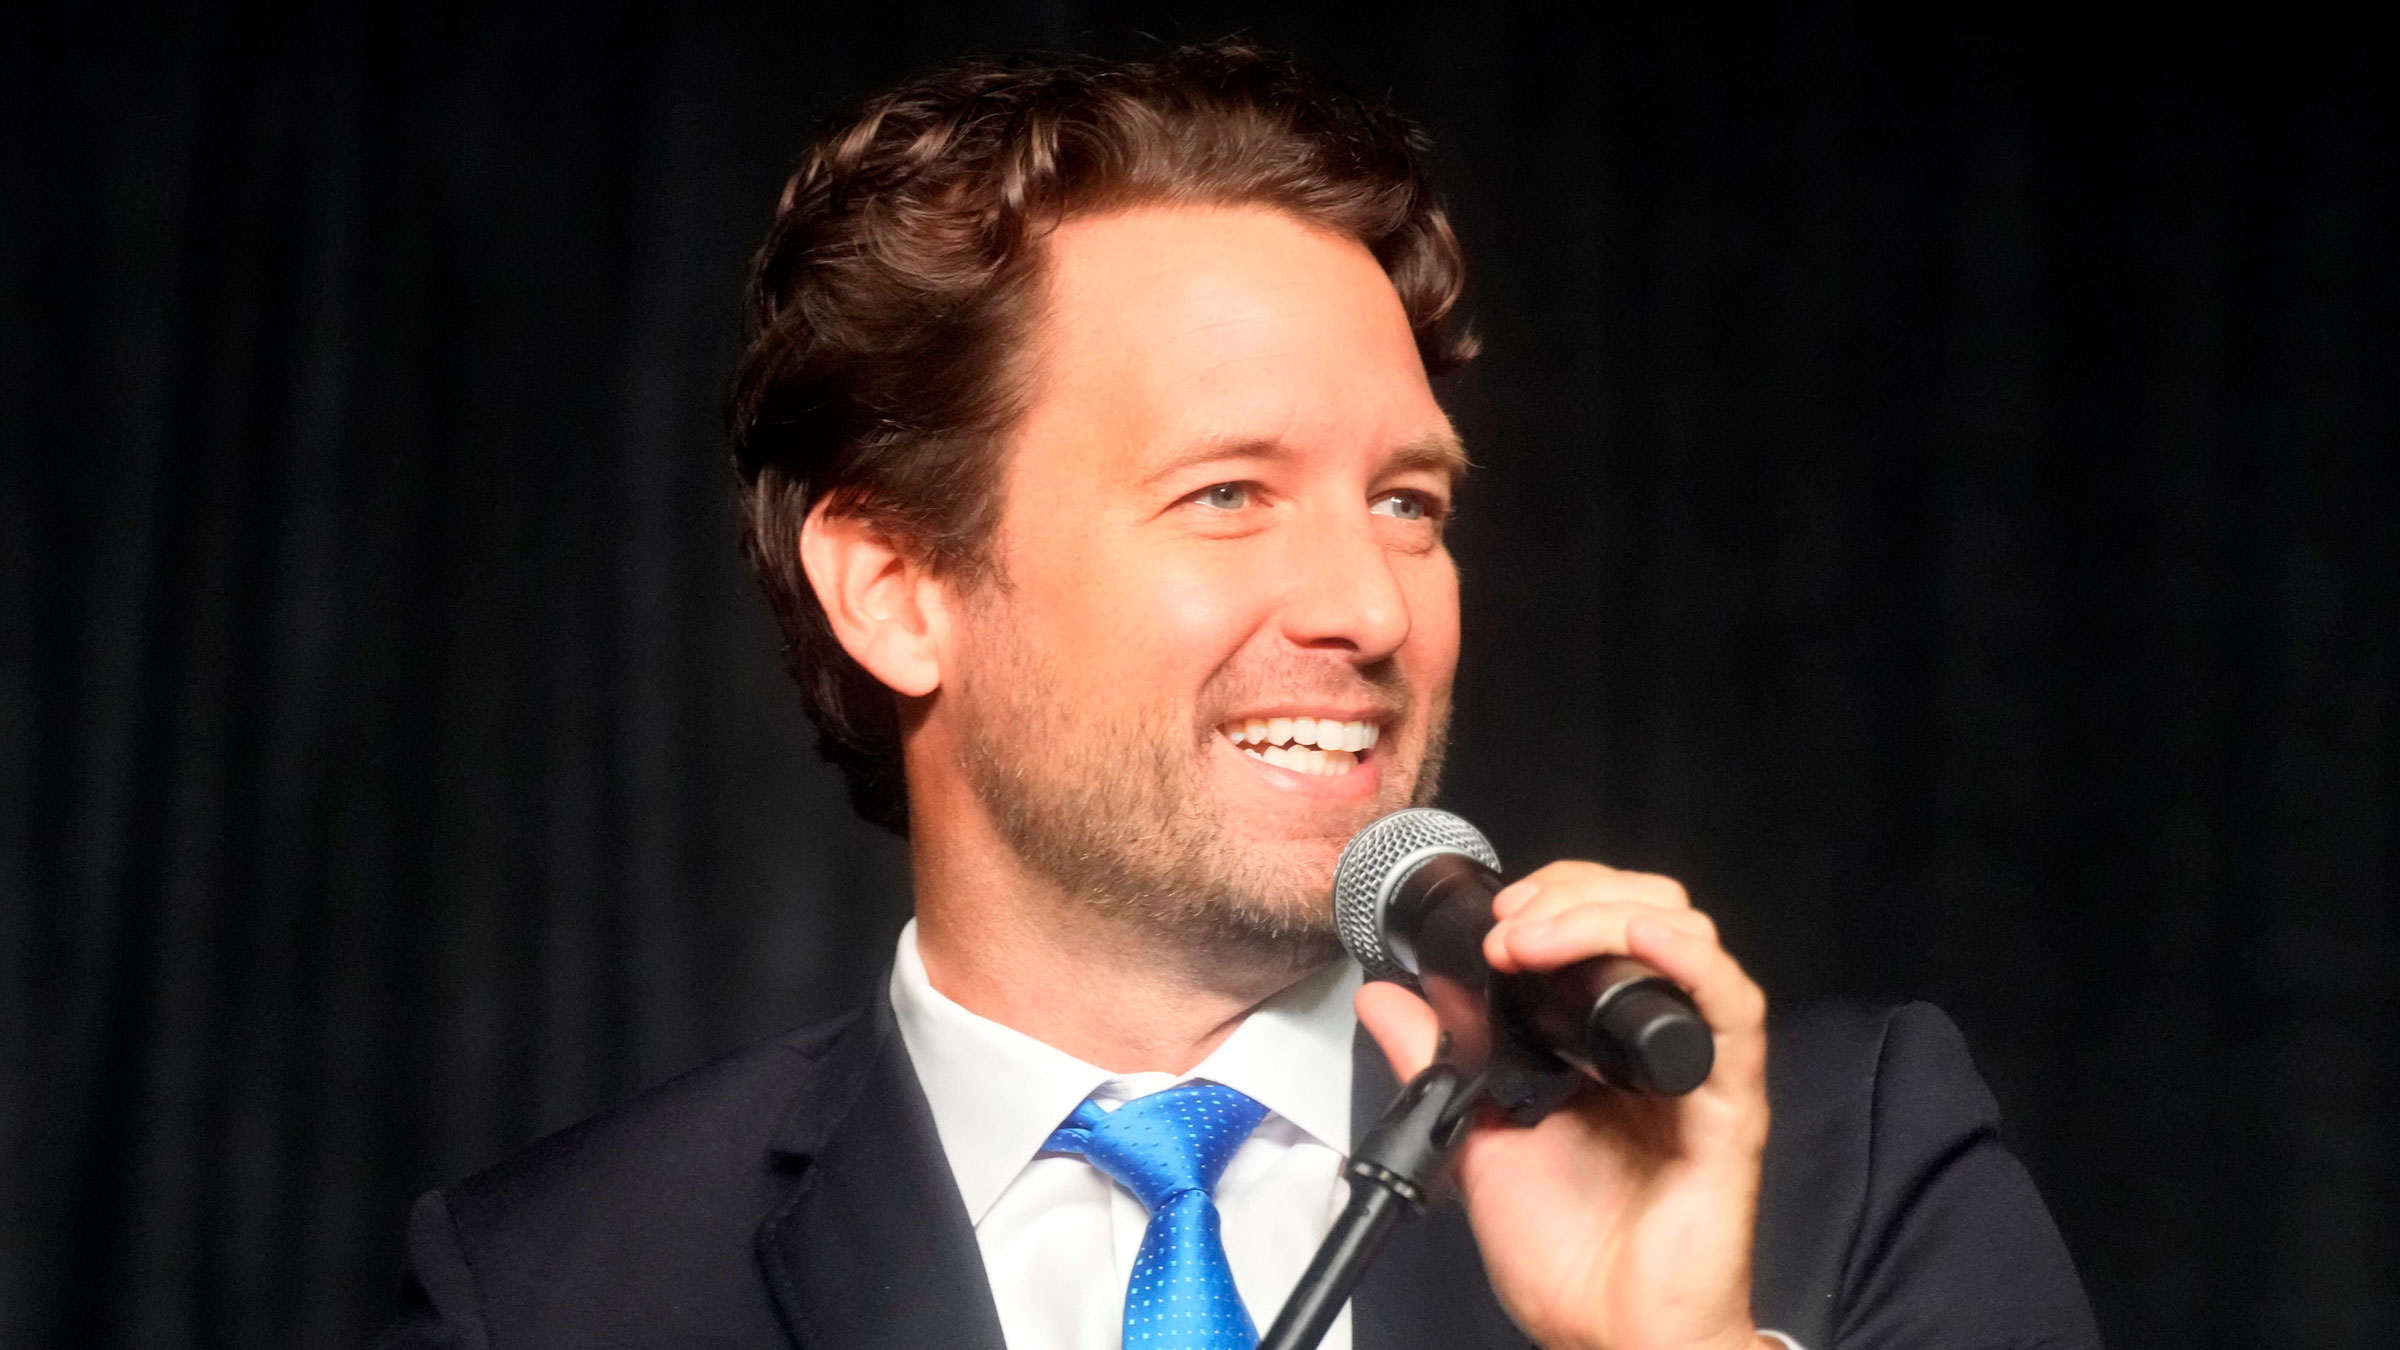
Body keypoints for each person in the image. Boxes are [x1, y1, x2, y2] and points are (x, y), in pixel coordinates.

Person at [373, 40, 2099, 1350]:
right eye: (1228, 493)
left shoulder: (1847, 1165)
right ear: (897, 586)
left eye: (1409, 504)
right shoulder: (550, 1286)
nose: (1369, 606)